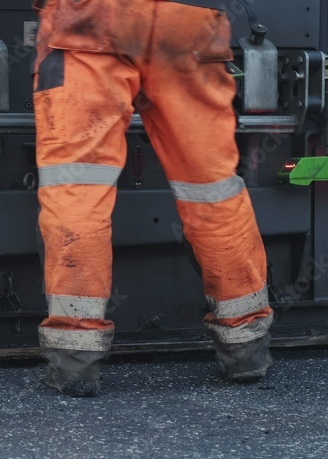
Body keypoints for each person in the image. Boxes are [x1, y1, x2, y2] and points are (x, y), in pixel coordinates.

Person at [32, 0, 273, 397]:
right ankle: (246, 350)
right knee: (212, 189)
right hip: (189, 18)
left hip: (88, 20)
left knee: (77, 186)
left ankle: (75, 359)